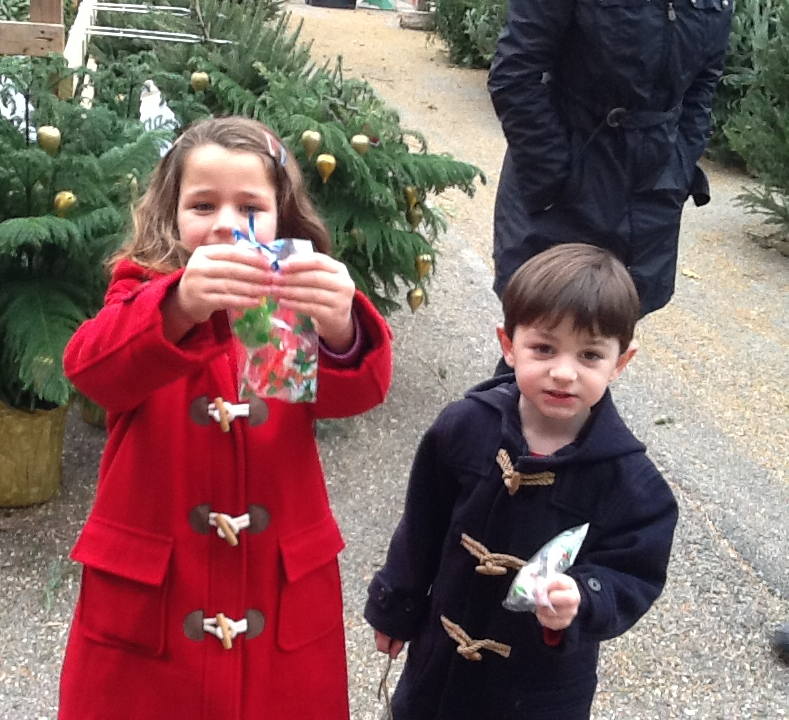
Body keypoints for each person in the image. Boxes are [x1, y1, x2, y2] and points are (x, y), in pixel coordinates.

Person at [58, 116, 393, 720]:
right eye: (203, 204)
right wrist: (182, 304)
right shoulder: (146, 289)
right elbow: (91, 371)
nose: (226, 224)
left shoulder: (284, 303)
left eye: (250, 207)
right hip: (158, 594)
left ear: (281, 218)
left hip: (274, 587)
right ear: (172, 214)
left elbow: (354, 395)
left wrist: (341, 326)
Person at [365, 244, 678, 719]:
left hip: (537, 687)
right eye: (544, 348)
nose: (563, 372)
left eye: (590, 355)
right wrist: (397, 607)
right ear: (508, 344)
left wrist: (586, 595)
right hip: (441, 662)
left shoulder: (630, 483)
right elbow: (420, 528)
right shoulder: (465, 427)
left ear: (620, 362)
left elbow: (633, 571)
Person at [488, 0, 734, 318]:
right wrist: (555, 176)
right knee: (541, 337)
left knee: (608, 343)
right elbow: (515, 74)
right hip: (567, 179)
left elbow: (703, 85)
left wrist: (680, 166)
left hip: (652, 189)